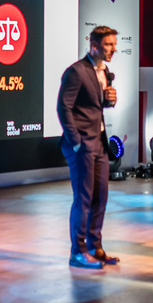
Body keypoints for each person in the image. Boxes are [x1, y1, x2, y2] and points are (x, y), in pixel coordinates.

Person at [57, 25, 119, 268]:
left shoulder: (104, 71)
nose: (113, 49)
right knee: (83, 199)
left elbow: (93, 106)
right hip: (82, 144)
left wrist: (109, 101)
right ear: (94, 45)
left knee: (100, 197)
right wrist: (76, 142)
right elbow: (64, 108)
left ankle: (95, 247)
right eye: (108, 45)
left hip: (99, 142)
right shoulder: (76, 72)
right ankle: (78, 251)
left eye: (114, 44)